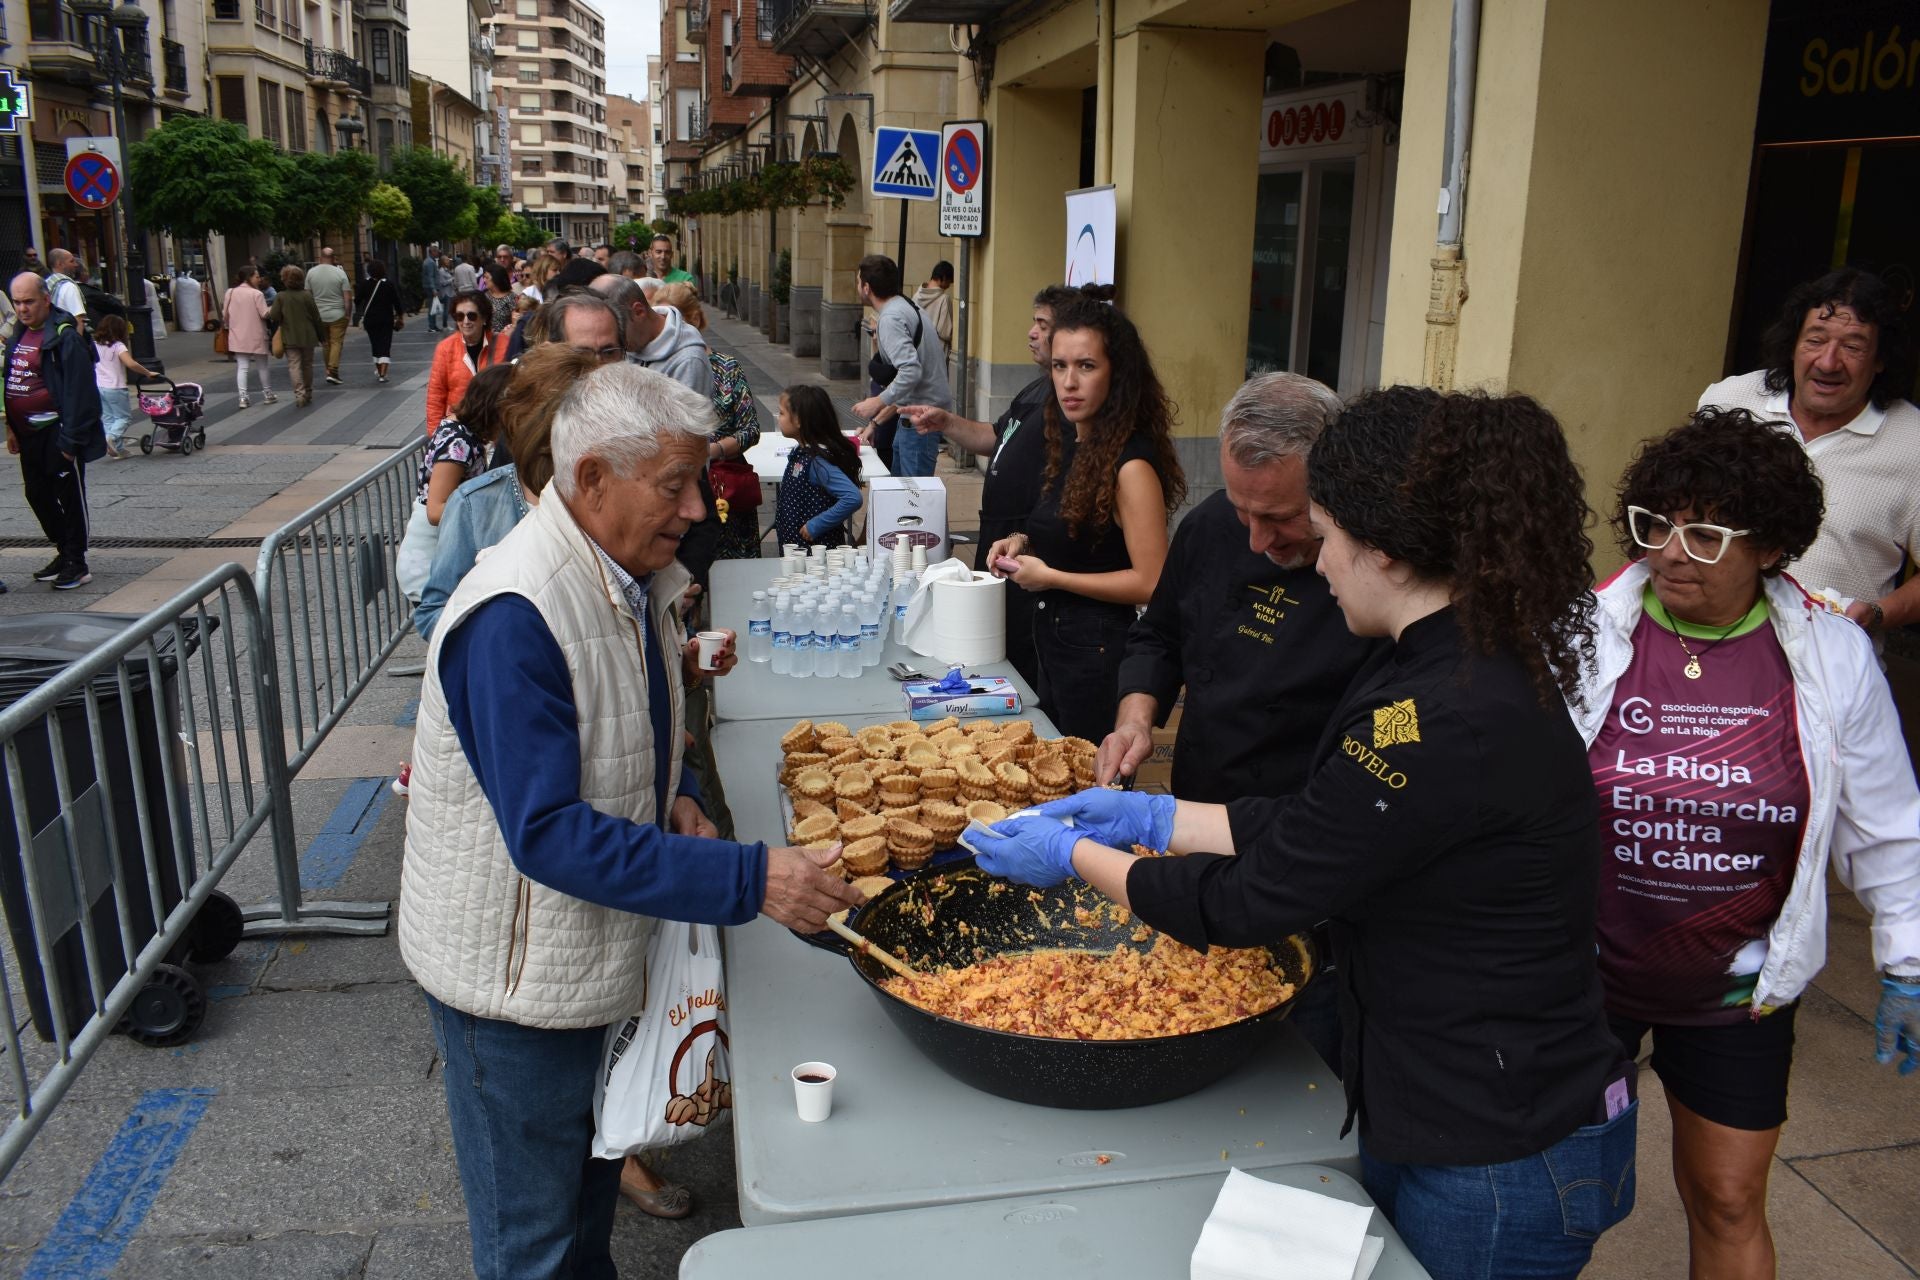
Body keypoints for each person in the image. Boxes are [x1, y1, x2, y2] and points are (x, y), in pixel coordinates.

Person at [971, 386, 1639, 1280]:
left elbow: (1261, 896)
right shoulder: (1443, 658)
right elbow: (1334, 819)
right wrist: (1158, 814)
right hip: (1441, 1098)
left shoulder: (1440, 712)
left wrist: (1076, 855)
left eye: (1326, 540)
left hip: (1498, 1144)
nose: (1315, 569)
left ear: (1388, 553)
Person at [401, 359, 860, 1279]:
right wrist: (749, 878)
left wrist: (678, 790)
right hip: (513, 996)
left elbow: (630, 721)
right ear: (592, 480)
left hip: (581, 962)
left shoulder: (621, 571)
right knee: (535, 1247)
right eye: (674, 486)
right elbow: (549, 833)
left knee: (582, 1220)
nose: (696, 509)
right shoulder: (513, 614)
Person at [1576, 408, 1920, 1276]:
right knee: (1557, 1193)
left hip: (1739, 990)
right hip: (1580, 976)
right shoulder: (1583, 637)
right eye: (1656, 526)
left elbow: (1887, 828)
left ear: (1769, 546)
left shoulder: (1832, 656)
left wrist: (1909, 959)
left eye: (1703, 534)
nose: (1667, 553)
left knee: (1728, 1200)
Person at [984, 293, 1185, 742]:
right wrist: (1023, 542)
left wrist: (1051, 577)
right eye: (1059, 366)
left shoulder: (1130, 466)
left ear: (1117, 373)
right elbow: (1079, 535)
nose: (1069, 382)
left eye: (1086, 366)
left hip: (1097, 656)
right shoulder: (1072, 440)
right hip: (1053, 643)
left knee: (1087, 792)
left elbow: (1153, 581)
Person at [1698, 267, 1920, 641]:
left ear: (1881, 359)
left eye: (1853, 347)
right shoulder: (1728, 402)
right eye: (1815, 340)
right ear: (1793, 344)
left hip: (1830, 662)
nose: (1829, 362)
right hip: (1707, 643)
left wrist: (1877, 614)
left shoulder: (1912, 442)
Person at [900, 284, 1077, 688]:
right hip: (1001, 541)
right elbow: (995, 437)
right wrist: (946, 422)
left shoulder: (1067, 403)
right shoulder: (1035, 388)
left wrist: (1027, 536)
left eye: (1042, 324)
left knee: (1017, 654)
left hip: (1026, 548)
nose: (1031, 332)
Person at [4, 272, 106, 590]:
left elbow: (81, 391)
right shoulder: (19, 333)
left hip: (57, 432)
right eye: (17, 302)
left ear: (46, 299)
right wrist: (11, 426)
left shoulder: (64, 336)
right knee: (36, 493)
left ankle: (77, 560)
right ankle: (64, 550)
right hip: (28, 434)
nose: (22, 308)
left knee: (69, 497)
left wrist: (70, 440)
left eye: (29, 301)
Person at [655, 283, 764, 560]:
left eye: (670, 318)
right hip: (675, 491)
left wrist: (712, 450)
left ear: (692, 319)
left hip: (728, 490)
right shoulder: (655, 368)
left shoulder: (726, 367)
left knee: (735, 579)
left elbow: (751, 430)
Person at [397, 363, 515, 599]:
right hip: (429, 569)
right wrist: (487, 511)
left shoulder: (463, 433)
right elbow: (435, 510)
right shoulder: (457, 444)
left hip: (439, 561)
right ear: (494, 410)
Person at [851, 255, 951, 477]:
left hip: (919, 424)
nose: (857, 286)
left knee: (914, 503)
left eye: (858, 281)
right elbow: (908, 383)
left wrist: (877, 401)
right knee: (902, 498)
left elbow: (910, 372)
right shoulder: (904, 306)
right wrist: (875, 423)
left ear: (867, 287)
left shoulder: (891, 319)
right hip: (914, 421)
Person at [774, 384, 862, 548]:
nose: (778, 417)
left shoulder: (817, 462)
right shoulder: (801, 452)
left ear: (799, 420)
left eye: (781, 413)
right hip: (798, 551)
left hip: (817, 555)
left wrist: (816, 525)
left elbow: (853, 497)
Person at [425, 291, 501, 432]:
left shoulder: (503, 344)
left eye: (471, 316)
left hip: (494, 430)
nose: (465, 321)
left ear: (484, 318)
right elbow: (436, 395)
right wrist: (435, 435)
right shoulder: (445, 348)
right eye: (459, 316)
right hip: (460, 432)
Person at [91, 315, 153, 461]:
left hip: (99, 387)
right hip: (116, 387)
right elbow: (130, 364)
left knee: (109, 419)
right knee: (123, 418)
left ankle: (118, 450)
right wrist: (147, 372)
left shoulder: (94, 344)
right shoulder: (118, 346)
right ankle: (111, 438)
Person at [268, 265, 324, 408]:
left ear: (285, 279)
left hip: (290, 336)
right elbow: (316, 317)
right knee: (307, 365)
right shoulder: (307, 295)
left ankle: (299, 394)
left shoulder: (281, 296)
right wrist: (322, 336)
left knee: (294, 366)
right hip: (308, 336)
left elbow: (274, 316)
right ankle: (309, 392)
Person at [224, 267, 275, 408]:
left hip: (237, 334)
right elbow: (264, 314)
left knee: (242, 367)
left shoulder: (231, 292)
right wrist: (273, 309)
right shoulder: (256, 294)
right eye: (257, 276)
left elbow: (225, 315)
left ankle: (243, 397)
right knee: (262, 366)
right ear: (249, 277)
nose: (259, 279)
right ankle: (268, 394)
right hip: (257, 334)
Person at [306, 247, 352, 386]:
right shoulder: (340, 273)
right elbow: (347, 298)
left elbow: (307, 295)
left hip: (319, 315)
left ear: (320, 258)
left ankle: (329, 370)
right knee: (336, 342)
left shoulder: (310, 273)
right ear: (333, 259)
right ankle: (332, 370)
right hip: (337, 314)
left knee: (326, 344)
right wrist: (348, 315)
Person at [359, 258, 403, 384]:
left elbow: (358, 299)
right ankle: (383, 373)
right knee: (385, 344)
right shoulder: (388, 284)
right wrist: (400, 315)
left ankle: (379, 371)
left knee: (375, 345)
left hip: (370, 319)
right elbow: (396, 301)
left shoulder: (364, 284)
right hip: (385, 319)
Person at [912, 259, 954, 347]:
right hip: (936, 351)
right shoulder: (944, 299)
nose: (948, 286)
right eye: (949, 282)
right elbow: (946, 332)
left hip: (918, 349)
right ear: (944, 278)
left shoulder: (916, 296)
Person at [42, 250, 87, 324]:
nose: (76, 265)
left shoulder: (46, 284)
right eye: (71, 261)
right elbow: (79, 319)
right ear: (60, 264)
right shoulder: (69, 287)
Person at [481, 264, 515, 334]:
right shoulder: (484, 296)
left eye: (487, 277)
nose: (484, 280)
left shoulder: (511, 298)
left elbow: (515, 321)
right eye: (484, 277)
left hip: (505, 338)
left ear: (496, 278)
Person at [421, 246, 446, 332]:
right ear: (432, 252)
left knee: (433, 306)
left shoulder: (428, 261)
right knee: (432, 307)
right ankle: (432, 326)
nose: (438, 253)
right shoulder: (430, 262)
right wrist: (434, 289)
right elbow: (430, 277)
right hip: (431, 287)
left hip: (428, 286)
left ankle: (433, 325)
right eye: (437, 252)